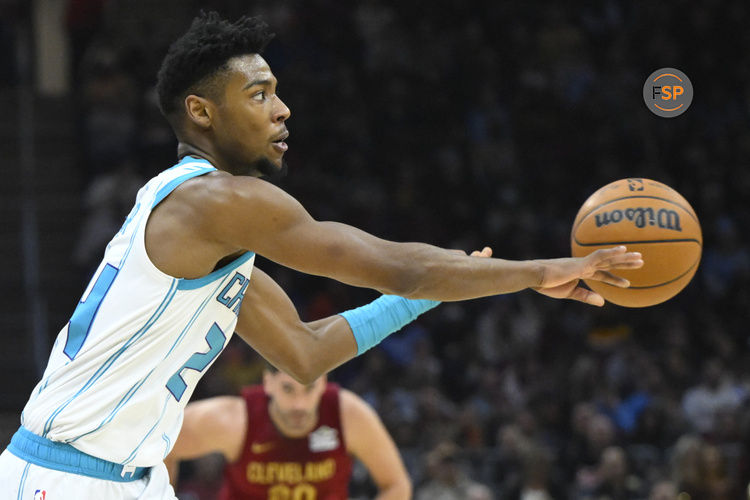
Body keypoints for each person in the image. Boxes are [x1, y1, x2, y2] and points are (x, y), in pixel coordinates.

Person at [0, 11, 642, 499]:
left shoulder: (209, 237)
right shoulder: (215, 202)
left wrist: (426, 295)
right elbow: (401, 264)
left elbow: (304, 353)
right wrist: (535, 273)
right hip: (63, 477)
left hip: (128, 479)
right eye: (258, 94)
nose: (283, 109)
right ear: (201, 112)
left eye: (276, 90)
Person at [164, 363, 411, 499]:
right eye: (288, 389)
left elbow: (397, 485)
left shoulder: (349, 416)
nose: (299, 405)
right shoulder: (235, 419)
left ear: (324, 383)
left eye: (309, 389)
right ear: (268, 383)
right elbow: (158, 441)